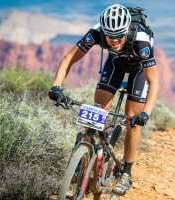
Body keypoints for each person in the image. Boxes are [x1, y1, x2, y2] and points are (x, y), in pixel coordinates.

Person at [48, 4, 159, 196]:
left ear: (126, 31)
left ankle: (126, 172)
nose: (114, 40)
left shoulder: (141, 42)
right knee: (98, 110)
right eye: (109, 35)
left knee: (132, 119)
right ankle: (87, 149)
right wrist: (56, 86)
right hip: (115, 63)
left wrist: (145, 114)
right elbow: (69, 59)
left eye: (118, 35)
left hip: (139, 70)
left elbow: (154, 81)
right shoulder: (97, 32)